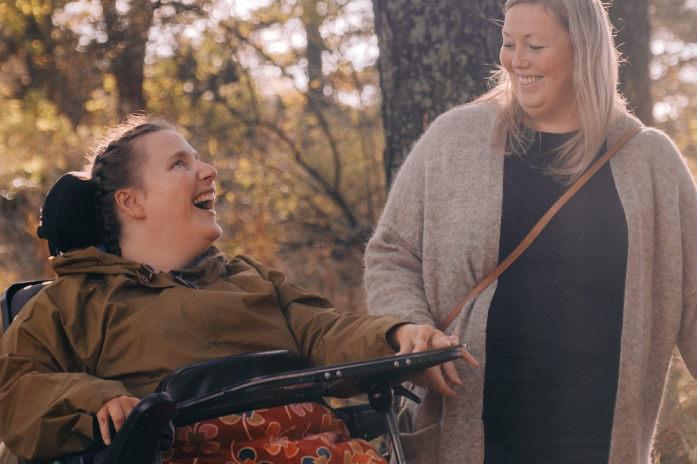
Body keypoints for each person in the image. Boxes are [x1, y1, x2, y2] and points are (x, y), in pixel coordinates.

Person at [0, 115, 477, 463]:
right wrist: (95, 399)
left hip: (316, 447)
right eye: (179, 164)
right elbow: (15, 386)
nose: (207, 171)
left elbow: (326, 332)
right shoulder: (71, 303)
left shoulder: (253, 280)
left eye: (198, 159)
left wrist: (398, 337)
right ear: (132, 201)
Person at [364, 1, 697, 463]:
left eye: (535, 45)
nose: (517, 60)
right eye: (508, 43)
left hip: (599, 443)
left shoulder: (652, 163)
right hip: (469, 433)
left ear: (585, 50)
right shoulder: (454, 140)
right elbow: (393, 253)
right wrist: (408, 325)